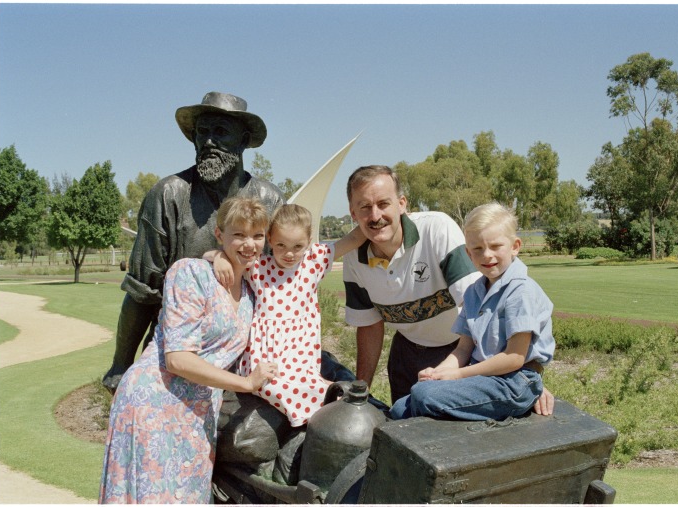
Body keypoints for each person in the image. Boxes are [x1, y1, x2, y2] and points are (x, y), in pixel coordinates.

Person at [102, 92, 286, 392]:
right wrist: (121, 364)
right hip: (177, 350)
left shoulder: (270, 199)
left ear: (243, 140)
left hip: (245, 352)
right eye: (202, 132)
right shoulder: (168, 195)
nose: (209, 142)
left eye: (221, 132)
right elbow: (142, 291)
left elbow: (282, 279)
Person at [99, 197, 278, 504]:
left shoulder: (251, 290)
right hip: (154, 402)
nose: (249, 244)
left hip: (197, 410)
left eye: (257, 236)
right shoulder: (190, 273)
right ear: (220, 235)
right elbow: (178, 359)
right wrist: (246, 384)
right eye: (239, 235)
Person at [341, 165, 554, 415]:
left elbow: (482, 306)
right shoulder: (353, 258)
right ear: (353, 213)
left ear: (402, 204)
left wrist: (526, 380)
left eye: (383, 203)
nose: (375, 215)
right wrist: (360, 392)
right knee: (401, 418)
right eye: (365, 207)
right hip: (407, 351)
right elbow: (368, 324)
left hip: (460, 352)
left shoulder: (437, 229)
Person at [389, 202, 555, 421]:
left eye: (496, 246)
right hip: (483, 379)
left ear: (515, 246)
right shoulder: (474, 292)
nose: (487, 255)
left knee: (422, 395)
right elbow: (463, 349)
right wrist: (438, 373)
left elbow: (514, 358)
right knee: (400, 408)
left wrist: (457, 375)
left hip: (515, 380)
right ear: (468, 253)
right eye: (477, 249)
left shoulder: (520, 290)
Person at [206, 203, 366, 426]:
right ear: (270, 239)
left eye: (297, 246)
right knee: (270, 384)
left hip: (299, 350)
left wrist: (386, 216)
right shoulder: (258, 265)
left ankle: (327, 414)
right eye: (281, 245)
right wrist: (219, 257)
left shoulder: (314, 261)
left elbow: (354, 239)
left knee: (307, 383)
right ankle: (322, 413)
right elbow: (214, 253)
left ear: (309, 242)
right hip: (265, 351)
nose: (289, 253)